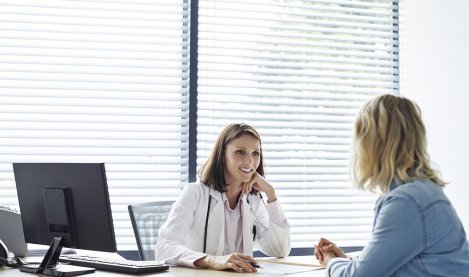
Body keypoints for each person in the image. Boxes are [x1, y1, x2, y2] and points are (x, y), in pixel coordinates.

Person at [314, 94, 469, 276]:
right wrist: (349, 262)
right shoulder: (426, 191)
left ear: (372, 144)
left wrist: (331, 262)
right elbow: (404, 266)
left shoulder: (406, 203)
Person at [155, 123, 291, 272]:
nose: (250, 161)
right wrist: (212, 260)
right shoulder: (194, 193)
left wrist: (271, 194)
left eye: (255, 153)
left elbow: (279, 250)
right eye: (240, 152)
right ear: (222, 156)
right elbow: (164, 247)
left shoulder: (253, 200)